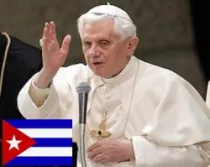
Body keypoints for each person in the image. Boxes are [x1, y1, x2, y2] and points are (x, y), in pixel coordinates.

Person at [17, 4, 210, 167]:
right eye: (87, 43)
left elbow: (202, 155)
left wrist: (135, 150)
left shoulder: (166, 85)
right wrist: (48, 72)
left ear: (130, 45)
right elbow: (33, 113)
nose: (93, 52)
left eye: (103, 43)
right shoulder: (75, 78)